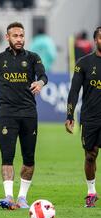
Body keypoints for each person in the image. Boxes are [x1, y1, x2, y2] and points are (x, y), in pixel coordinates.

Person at [0, 22, 48, 209]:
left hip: (28, 115)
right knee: (7, 157)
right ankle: (9, 197)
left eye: (21, 36)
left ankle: (22, 198)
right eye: (15, 36)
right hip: (7, 115)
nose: (19, 39)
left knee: (29, 159)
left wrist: (40, 83)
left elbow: (43, 75)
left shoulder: (33, 58)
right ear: (7, 37)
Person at [65, 26, 101, 208]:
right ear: (95, 40)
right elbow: (73, 91)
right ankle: (91, 192)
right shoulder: (83, 63)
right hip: (90, 117)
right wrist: (70, 114)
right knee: (90, 156)